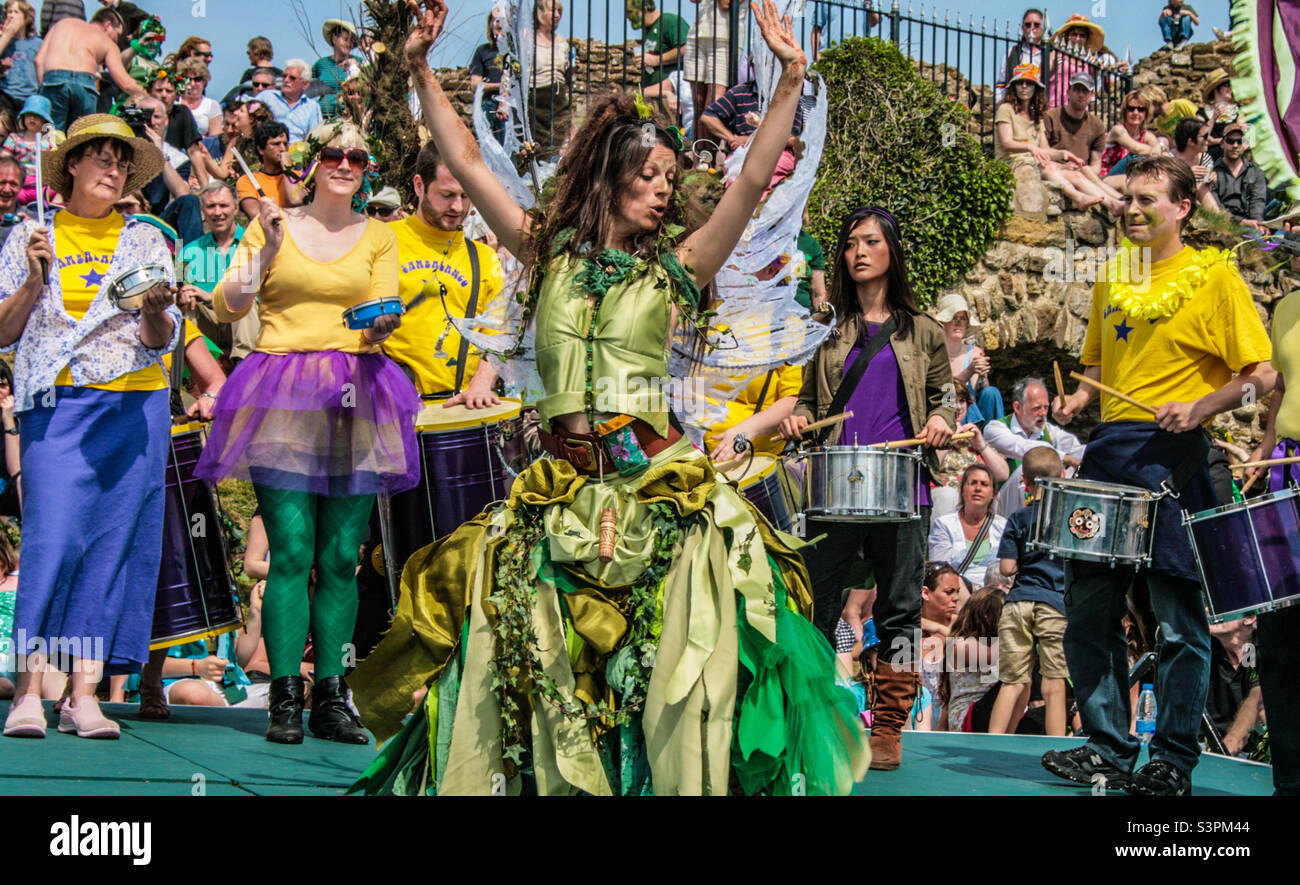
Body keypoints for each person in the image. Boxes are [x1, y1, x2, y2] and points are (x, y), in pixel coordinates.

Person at [348, 0, 868, 796]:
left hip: (651, 489)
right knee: (532, 666)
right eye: (650, 175)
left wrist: (791, 78)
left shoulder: (679, 268)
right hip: (557, 491)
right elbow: (472, 163)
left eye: (670, 178)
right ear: (608, 175)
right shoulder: (542, 250)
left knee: (658, 670)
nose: (665, 190)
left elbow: (753, 180)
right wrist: (419, 67)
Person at [1042, 154, 1274, 796]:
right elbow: (1101, 374)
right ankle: (1107, 748)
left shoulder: (1214, 276)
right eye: (1129, 198)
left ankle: (1172, 757)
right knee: (1088, 613)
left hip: (1179, 457)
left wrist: (1200, 407)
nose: (1134, 210)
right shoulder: (1111, 275)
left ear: (1183, 208)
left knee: (1179, 622)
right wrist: (1074, 404)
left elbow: (1260, 376)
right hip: (1111, 452)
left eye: (1149, 200)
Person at [193, 117, 419, 746]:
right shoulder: (272, 225)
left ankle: (332, 696)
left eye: (357, 156)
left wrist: (379, 329)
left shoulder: (379, 235)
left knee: (341, 558)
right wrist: (263, 246)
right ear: (311, 163)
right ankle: (285, 698)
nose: (346, 164)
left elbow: (381, 311)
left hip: (359, 393)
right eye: (335, 154)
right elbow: (226, 306)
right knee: (290, 553)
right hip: (281, 394)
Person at [0, 113, 180, 740]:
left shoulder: (146, 241)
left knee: (111, 549)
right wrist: (32, 279)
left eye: (121, 160)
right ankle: (28, 689)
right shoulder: (31, 234)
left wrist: (159, 312)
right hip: (56, 406)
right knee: (50, 542)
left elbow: (160, 339)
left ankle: (83, 695)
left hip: (134, 407)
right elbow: (3, 330)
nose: (112, 168)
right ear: (70, 165)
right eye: (100, 156)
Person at [779, 204, 956, 770]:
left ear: (891, 253)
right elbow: (809, 399)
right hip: (835, 486)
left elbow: (944, 399)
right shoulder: (827, 332)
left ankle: (887, 729)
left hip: (904, 488)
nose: (858, 251)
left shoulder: (923, 331)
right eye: (851, 243)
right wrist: (797, 418)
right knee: (818, 605)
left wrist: (942, 422)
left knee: (901, 611)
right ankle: (815, 714)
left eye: (871, 242)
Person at [1242, 233, 1300, 794]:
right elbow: (1281, 386)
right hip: (1288, 476)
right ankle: (1290, 779)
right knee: (1282, 634)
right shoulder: (1285, 307)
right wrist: (1263, 448)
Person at [382, 138, 502, 403]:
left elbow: (499, 333)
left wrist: (481, 384)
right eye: (447, 195)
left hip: (462, 412)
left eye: (465, 195)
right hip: (393, 408)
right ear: (419, 185)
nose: (458, 207)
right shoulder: (382, 240)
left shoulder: (484, 258)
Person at [987, 446, 1068, 735]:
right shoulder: (1071, 520)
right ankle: (1056, 745)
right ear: (1063, 475)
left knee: (1012, 681)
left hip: (1019, 602)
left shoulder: (1018, 518)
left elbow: (1007, 568)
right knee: (1054, 681)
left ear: (1025, 481)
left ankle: (992, 745)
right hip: (1054, 604)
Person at [985, 376, 1085, 518]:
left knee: (1074, 472)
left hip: (1042, 501)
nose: (1043, 413)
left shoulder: (1049, 431)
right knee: (1029, 467)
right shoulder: (995, 428)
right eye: (1037, 408)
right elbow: (1024, 448)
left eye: (1046, 407)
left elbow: (1078, 449)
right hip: (1002, 506)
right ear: (1017, 407)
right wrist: (1065, 458)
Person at [182, 180, 257, 364]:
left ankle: (243, 367)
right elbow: (178, 293)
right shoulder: (186, 250)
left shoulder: (257, 245)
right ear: (203, 210)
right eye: (211, 206)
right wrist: (183, 295)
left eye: (223, 205)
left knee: (245, 296)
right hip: (208, 324)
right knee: (185, 304)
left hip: (246, 323)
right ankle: (191, 373)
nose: (217, 212)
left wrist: (212, 296)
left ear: (236, 208)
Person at [34, 6, 141, 131]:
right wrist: (148, 96)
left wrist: (45, 90)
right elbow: (125, 83)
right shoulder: (107, 42)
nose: (116, 40)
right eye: (117, 35)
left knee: (49, 137)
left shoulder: (61, 24)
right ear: (108, 25)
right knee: (80, 139)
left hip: (54, 80)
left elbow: (38, 61)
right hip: (84, 84)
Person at [928, 463, 1007, 588]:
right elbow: (940, 573)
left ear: (993, 494)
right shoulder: (944, 524)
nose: (978, 488)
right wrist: (973, 588)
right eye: (973, 483)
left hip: (994, 591)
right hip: (958, 590)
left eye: (984, 484)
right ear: (963, 490)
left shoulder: (1003, 526)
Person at [933, 292, 1002, 426]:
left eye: (962, 318)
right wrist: (969, 371)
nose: (958, 323)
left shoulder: (975, 353)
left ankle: (995, 435)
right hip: (948, 409)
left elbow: (983, 392)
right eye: (953, 318)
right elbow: (945, 390)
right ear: (944, 323)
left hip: (973, 410)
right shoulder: (934, 354)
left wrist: (981, 375)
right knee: (957, 395)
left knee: (992, 393)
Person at [942, 585, 1003, 732]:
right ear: (987, 615)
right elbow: (997, 656)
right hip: (968, 716)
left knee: (1067, 706)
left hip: (994, 712)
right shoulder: (961, 645)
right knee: (1015, 678)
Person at [913, 562, 962, 731]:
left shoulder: (963, 627)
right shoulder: (907, 628)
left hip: (951, 720)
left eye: (957, 592)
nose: (955, 598)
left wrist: (944, 631)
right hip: (913, 717)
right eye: (949, 592)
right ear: (925, 593)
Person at [235, 120, 305, 221]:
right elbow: (256, 214)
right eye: (276, 144)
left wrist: (287, 170)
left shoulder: (299, 176)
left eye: (285, 144)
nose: (282, 149)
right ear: (260, 149)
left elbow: (297, 200)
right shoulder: (247, 180)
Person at [626, 0, 688, 113]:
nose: (627, 17)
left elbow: (687, 49)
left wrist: (656, 60)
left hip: (671, 98)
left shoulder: (669, 21)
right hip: (653, 95)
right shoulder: (647, 30)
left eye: (629, 12)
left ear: (643, 9)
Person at [528, 0, 570, 160]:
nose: (558, 16)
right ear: (540, 12)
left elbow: (566, 77)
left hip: (558, 100)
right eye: (553, 11)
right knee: (536, 148)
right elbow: (512, 69)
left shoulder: (561, 41)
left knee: (558, 144)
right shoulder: (528, 38)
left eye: (560, 12)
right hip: (535, 100)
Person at [1211, 121, 1268, 232]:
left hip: (1250, 223)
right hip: (1222, 223)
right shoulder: (1213, 172)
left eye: (1239, 141)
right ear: (1222, 143)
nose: (1235, 146)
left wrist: (1258, 224)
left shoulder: (1256, 171)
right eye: (1230, 141)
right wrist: (1240, 221)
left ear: (1245, 144)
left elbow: (1257, 202)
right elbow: (1215, 208)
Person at [681, 0, 730, 122]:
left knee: (713, 104)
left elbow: (726, 3)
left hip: (723, 37)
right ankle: (699, 141)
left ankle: (712, 141)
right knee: (698, 103)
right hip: (698, 34)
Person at [257, 59, 322, 143]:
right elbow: (245, 109)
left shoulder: (312, 107)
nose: (286, 80)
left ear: (305, 84)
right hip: (269, 147)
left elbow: (315, 138)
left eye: (292, 78)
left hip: (298, 151)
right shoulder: (267, 97)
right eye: (284, 76)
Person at [995, 7, 1051, 104]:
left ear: (1043, 29)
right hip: (1016, 106)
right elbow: (1001, 84)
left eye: (1036, 25)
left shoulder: (1051, 54)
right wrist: (1000, 105)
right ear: (1022, 28)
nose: (1032, 28)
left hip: (1042, 107)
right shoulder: (1012, 53)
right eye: (1028, 25)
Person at [1100, 90, 1160, 177]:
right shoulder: (1118, 130)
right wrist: (1155, 151)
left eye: (1140, 109)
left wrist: (1159, 146)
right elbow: (1135, 148)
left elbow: (1158, 148)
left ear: (1146, 113)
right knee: (1135, 157)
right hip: (1109, 178)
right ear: (1125, 112)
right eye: (1131, 109)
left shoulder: (1146, 135)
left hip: (1130, 178)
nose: (1135, 113)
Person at [468, 9, 506, 145]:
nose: (497, 23)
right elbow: (475, 86)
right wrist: (500, 86)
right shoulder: (482, 51)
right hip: (489, 105)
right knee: (487, 151)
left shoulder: (515, 53)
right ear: (490, 24)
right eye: (494, 20)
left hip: (509, 108)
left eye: (501, 19)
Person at [1170, 116, 1221, 211]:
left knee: (1202, 187)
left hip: (1199, 203)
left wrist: (1211, 180)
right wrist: (1186, 175)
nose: (1208, 140)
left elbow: (1207, 190)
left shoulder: (1205, 159)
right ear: (1191, 141)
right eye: (1204, 137)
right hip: (1175, 202)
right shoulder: (1169, 159)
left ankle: (1218, 220)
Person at [313, 19, 361, 120]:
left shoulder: (359, 63)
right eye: (345, 39)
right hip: (323, 118)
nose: (348, 44)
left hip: (349, 117)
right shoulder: (321, 64)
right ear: (334, 39)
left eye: (352, 41)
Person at [0, 0, 41, 107]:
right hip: (6, 95)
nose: (12, 16)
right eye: (9, 12)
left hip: (29, 98)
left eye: (16, 12)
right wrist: (7, 35)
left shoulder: (37, 43)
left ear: (27, 18)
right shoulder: (3, 42)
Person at [175, 56, 221, 138]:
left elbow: (215, 139)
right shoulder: (174, 101)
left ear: (204, 81)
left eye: (197, 79)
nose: (192, 84)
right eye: (188, 79)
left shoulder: (212, 105)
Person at [0, 153, 24, 248]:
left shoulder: (31, 219)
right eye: (2, 183)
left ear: (21, 187)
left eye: (13, 184)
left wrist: (31, 228)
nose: (6, 189)